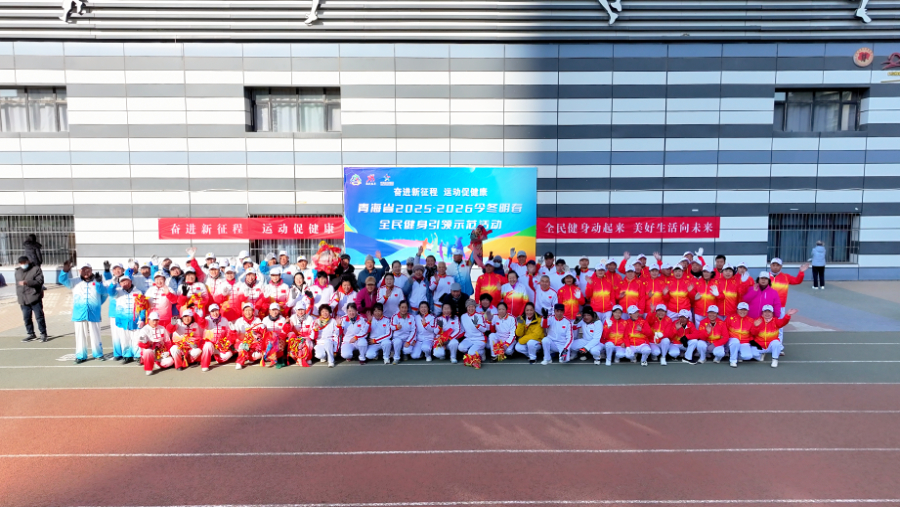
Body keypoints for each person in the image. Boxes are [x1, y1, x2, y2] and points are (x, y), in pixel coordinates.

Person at [58, 262, 108, 364]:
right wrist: (65, 271)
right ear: (79, 271)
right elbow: (62, 280)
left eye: (87, 269)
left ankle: (98, 354)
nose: (85, 272)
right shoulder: (74, 281)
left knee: (95, 334)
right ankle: (81, 356)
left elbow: (104, 294)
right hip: (79, 313)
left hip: (94, 313)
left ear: (91, 270)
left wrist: (97, 304)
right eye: (83, 270)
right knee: (80, 335)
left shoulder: (98, 281)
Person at [107, 274, 145, 364]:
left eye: (126, 281)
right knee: (124, 339)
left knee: (136, 338)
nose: (124, 283)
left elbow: (143, 306)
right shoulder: (117, 292)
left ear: (130, 281)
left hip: (135, 321)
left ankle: (138, 355)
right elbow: (110, 292)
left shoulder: (138, 292)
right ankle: (127, 356)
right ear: (120, 283)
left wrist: (142, 318)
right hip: (122, 321)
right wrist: (113, 283)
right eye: (122, 282)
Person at [16, 256, 47, 342]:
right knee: (26, 318)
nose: (23, 264)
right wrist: (19, 297)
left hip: (34, 297)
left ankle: (43, 333)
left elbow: (39, 281)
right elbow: (18, 286)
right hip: (23, 299)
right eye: (21, 263)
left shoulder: (36, 269)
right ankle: (31, 334)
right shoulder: (18, 271)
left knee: (39, 317)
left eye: (24, 263)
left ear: (28, 261)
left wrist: (27, 282)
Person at [451, 299, 489, 366]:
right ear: (466, 307)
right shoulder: (463, 316)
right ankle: (475, 351)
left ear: (475, 307)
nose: (471, 308)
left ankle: (481, 352)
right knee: (461, 347)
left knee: (471, 353)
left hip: (479, 339)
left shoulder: (480, 315)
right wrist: (453, 337)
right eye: (469, 307)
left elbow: (484, 329)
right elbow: (462, 330)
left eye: (472, 306)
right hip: (469, 339)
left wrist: (477, 325)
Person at [232, 302, 263, 370]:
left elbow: (260, 332)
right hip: (242, 342)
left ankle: (250, 358)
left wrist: (261, 329)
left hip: (254, 342)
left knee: (261, 353)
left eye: (250, 310)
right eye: (246, 310)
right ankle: (239, 362)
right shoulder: (239, 321)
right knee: (243, 346)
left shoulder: (257, 320)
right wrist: (233, 331)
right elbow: (235, 334)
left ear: (253, 311)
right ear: (243, 311)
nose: (248, 312)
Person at [259, 303, 290, 368]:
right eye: (273, 310)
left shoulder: (282, 319)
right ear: (269, 311)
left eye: (276, 310)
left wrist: (287, 323)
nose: (274, 312)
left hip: (279, 339)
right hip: (269, 340)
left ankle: (279, 358)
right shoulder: (265, 319)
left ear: (279, 311)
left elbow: (285, 332)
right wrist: (262, 328)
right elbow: (262, 332)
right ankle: (270, 356)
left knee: (277, 338)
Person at [725, 302, 755, 368]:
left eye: (745, 310)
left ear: (747, 311)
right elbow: (724, 330)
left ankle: (737, 354)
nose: (743, 311)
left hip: (744, 342)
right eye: (741, 309)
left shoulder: (751, 320)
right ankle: (733, 360)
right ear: (737, 309)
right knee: (735, 342)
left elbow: (753, 333)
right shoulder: (730, 318)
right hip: (732, 340)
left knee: (748, 356)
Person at [390, 300, 416, 365]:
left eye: (405, 307)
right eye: (402, 307)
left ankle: (405, 354)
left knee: (408, 350)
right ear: (399, 307)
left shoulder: (411, 317)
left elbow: (414, 330)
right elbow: (392, 326)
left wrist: (409, 341)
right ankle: (396, 358)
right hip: (397, 338)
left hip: (407, 338)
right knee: (397, 342)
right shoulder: (394, 316)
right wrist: (396, 327)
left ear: (407, 308)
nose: (404, 309)